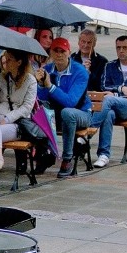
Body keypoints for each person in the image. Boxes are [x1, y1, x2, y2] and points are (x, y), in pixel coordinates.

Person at [0, 48, 37, 191]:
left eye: (9, 59)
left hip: (16, 123)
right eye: (5, 58)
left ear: (19, 62)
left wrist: (8, 118)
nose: (5, 61)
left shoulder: (30, 81)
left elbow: (27, 108)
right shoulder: (1, 78)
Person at [35, 37, 91, 178]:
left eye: (63, 51)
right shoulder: (47, 70)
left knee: (67, 113)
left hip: (81, 113)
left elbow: (71, 102)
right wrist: (40, 84)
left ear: (69, 52)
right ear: (51, 54)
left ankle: (67, 158)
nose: (59, 54)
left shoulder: (80, 72)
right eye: (56, 51)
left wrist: (50, 86)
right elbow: (40, 99)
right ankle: (45, 154)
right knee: (38, 111)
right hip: (56, 113)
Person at [91, 35, 127, 168]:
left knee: (109, 99)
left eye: (124, 47)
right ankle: (104, 155)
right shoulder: (109, 66)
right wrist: (123, 89)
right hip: (112, 106)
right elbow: (104, 86)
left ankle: (91, 129)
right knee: (108, 113)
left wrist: (115, 93)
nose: (121, 50)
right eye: (118, 48)